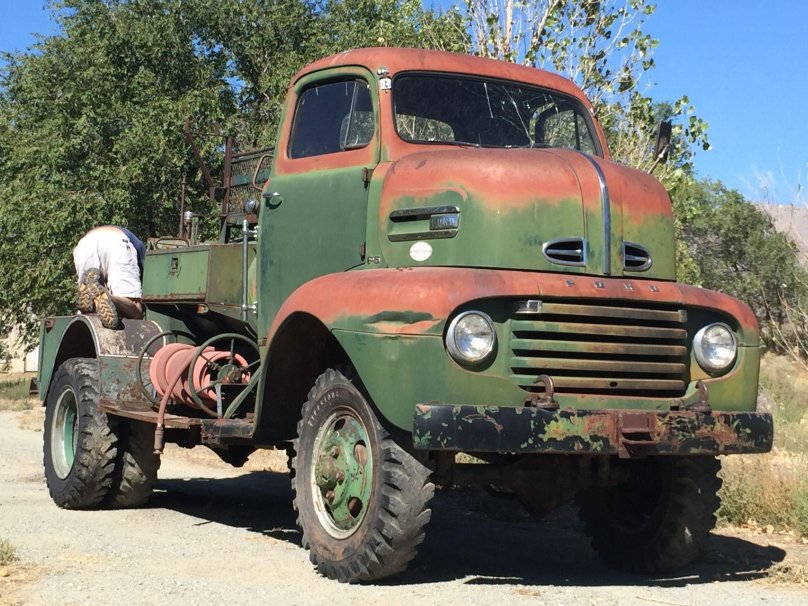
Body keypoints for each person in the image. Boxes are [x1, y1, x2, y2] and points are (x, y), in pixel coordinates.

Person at [73, 225, 145, 329]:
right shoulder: (142, 253)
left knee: (89, 298)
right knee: (136, 311)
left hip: (84, 244)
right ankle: (104, 295)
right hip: (117, 243)